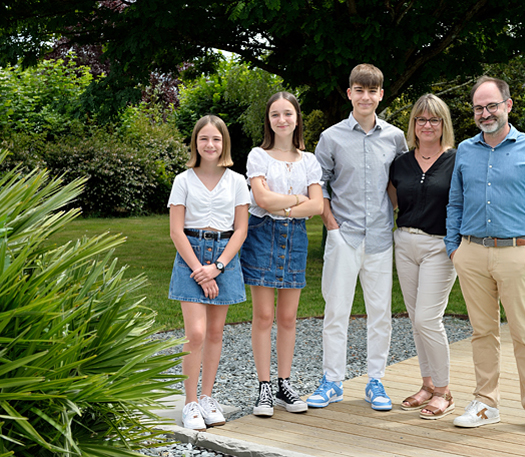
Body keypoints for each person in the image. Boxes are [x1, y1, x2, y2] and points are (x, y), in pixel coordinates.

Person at [445, 76, 525, 437]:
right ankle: (485, 404)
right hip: (472, 253)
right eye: (478, 107)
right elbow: (456, 201)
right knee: (482, 333)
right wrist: (454, 248)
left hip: (516, 254)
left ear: (507, 105)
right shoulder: (465, 149)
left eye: (492, 105)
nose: (485, 113)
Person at [308, 63, 407, 411]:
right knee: (336, 311)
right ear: (350, 93)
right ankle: (332, 381)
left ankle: (376, 381)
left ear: (381, 94)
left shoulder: (395, 138)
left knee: (380, 313)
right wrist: (331, 225)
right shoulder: (331, 137)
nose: (366, 97)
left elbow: (401, 184)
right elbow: (318, 185)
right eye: (359, 90)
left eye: (372, 90)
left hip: (381, 238)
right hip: (344, 237)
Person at [240, 92, 324, 417]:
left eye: (288, 114)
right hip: (262, 235)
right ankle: (263, 387)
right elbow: (260, 199)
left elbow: (317, 206)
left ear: (297, 118)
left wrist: (284, 205)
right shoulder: (258, 156)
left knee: (288, 317)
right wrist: (296, 201)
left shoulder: (310, 160)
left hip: (295, 239)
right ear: (269, 120)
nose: (282, 120)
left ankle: (283, 384)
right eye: (275, 114)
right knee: (263, 316)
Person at [168, 115, 250, 430]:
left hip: (224, 258)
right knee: (196, 334)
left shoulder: (237, 181)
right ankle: (189, 403)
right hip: (190, 257)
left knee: (215, 333)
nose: (210, 144)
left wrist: (216, 267)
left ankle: (206, 397)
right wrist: (199, 270)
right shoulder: (183, 180)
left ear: (224, 143)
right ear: (196, 143)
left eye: (216, 139)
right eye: (204, 139)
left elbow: (241, 229)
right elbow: (176, 231)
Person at [387, 94, 457, 420]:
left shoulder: (457, 160)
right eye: (421, 119)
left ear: (444, 125)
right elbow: (392, 200)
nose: (427, 125)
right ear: (413, 124)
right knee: (416, 320)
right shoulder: (400, 163)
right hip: (405, 243)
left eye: (434, 120)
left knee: (429, 319)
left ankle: (444, 391)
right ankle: (427, 385)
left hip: (439, 246)